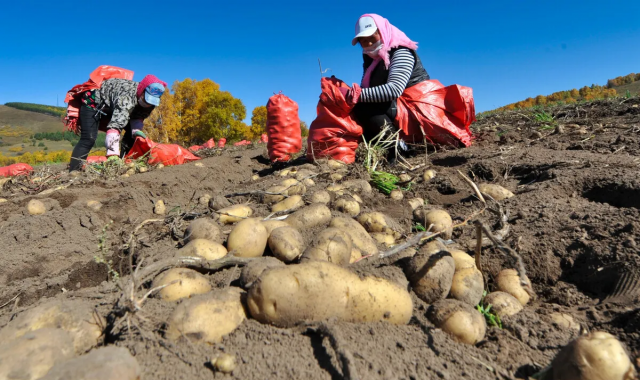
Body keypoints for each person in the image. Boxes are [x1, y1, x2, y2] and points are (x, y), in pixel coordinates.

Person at [344, 14, 430, 142]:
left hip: (417, 108)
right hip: (397, 107)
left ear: (382, 31)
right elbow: (366, 90)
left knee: (364, 107)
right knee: (357, 111)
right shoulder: (372, 62)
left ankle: (397, 147)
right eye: (363, 40)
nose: (368, 43)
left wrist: (354, 95)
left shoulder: (400, 51)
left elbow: (394, 89)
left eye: (372, 36)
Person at [69, 75, 167, 171]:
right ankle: (74, 171)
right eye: (146, 99)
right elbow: (115, 126)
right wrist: (112, 154)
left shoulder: (151, 103)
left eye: (151, 101)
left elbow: (138, 116)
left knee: (132, 136)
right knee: (88, 139)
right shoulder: (126, 99)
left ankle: (127, 162)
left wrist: (137, 132)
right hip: (93, 102)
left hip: (112, 105)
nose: (148, 103)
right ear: (142, 90)